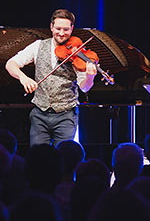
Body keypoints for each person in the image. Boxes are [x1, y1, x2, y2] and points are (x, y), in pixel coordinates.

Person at [6, 9, 97, 147]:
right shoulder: (38, 46)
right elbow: (10, 64)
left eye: (66, 29)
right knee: (38, 157)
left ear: (72, 29)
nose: (61, 33)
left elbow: (84, 88)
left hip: (66, 115)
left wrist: (90, 77)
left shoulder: (78, 53)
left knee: (64, 159)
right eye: (58, 28)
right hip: (39, 114)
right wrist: (23, 78)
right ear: (51, 27)